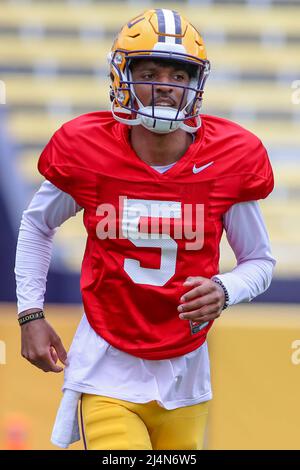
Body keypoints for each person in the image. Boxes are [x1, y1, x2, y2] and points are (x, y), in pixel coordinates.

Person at [15, 8, 276, 450]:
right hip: (106, 364)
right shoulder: (87, 148)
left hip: (186, 372)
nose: (164, 87)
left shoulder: (232, 156)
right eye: (150, 72)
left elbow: (260, 261)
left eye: (176, 75)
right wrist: (30, 313)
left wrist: (227, 289)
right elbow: (38, 225)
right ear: (124, 77)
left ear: (195, 84)